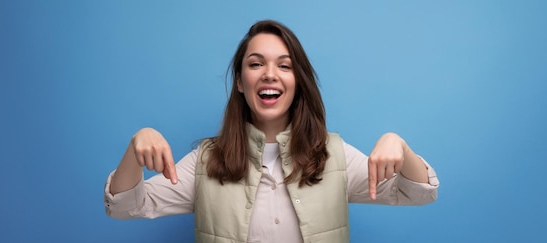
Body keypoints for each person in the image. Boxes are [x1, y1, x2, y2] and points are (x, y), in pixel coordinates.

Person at [104, 19, 439, 243]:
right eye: (255, 63)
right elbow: (124, 206)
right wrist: (135, 146)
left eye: (284, 65)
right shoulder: (205, 162)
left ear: (298, 82)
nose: (269, 74)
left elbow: (419, 192)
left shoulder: (334, 156)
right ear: (239, 81)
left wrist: (399, 145)